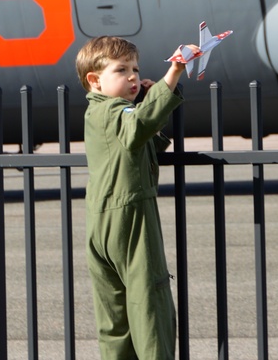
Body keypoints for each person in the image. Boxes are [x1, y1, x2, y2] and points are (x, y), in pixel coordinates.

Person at [75, 35, 198, 359]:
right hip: (129, 216)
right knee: (149, 302)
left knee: (114, 320)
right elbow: (140, 125)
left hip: (100, 222)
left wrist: (156, 97)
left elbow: (148, 141)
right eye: (121, 70)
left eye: (135, 68)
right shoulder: (115, 111)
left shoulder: (97, 115)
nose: (132, 76)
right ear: (95, 80)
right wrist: (172, 75)